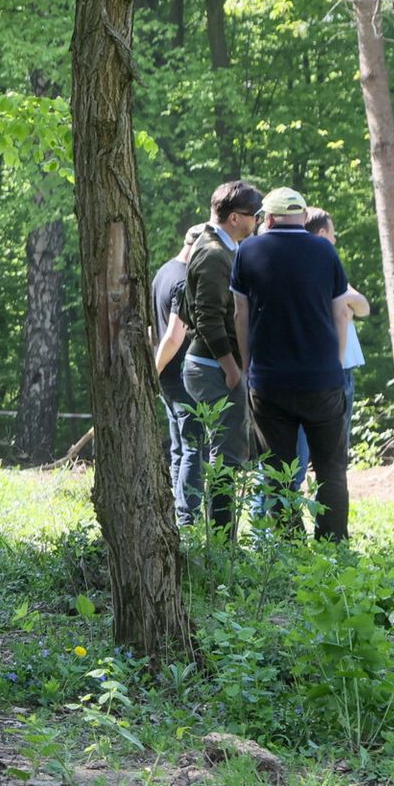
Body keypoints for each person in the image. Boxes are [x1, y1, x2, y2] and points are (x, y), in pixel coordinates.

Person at [230, 186, 354, 540]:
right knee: (331, 469)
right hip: (322, 381)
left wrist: (247, 364)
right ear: (302, 216)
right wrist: (336, 364)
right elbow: (341, 312)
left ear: (267, 218)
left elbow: (241, 314)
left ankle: (289, 546)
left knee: (278, 470)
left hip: (269, 382)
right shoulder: (323, 250)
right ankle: (332, 545)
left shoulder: (248, 250)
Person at [178, 180, 262, 531]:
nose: (257, 221)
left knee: (228, 454)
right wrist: (231, 370)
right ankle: (220, 541)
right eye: (253, 215)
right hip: (214, 366)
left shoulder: (222, 246)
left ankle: (220, 537)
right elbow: (206, 316)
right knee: (225, 458)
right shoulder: (214, 253)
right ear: (233, 218)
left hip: (215, 364)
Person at [289, 206, 370, 488]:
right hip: (333, 372)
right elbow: (353, 307)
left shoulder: (320, 270)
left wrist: (348, 300)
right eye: (333, 235)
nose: (335, 241)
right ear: (322, 234)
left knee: (319, 458)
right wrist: (346, 303)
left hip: (327, 370)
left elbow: (363, 306)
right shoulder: (320, 270)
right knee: (320, 458)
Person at [151, 224, 207, 528]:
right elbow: (173, 336)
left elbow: (153, 329)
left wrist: (156, 372)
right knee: (193, 448)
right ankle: (186, 519)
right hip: (181, 373)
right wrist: (154, 371)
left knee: (179, 445)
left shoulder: (163, 272)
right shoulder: (185, 282)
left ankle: (175, 510)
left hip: (167, 376)